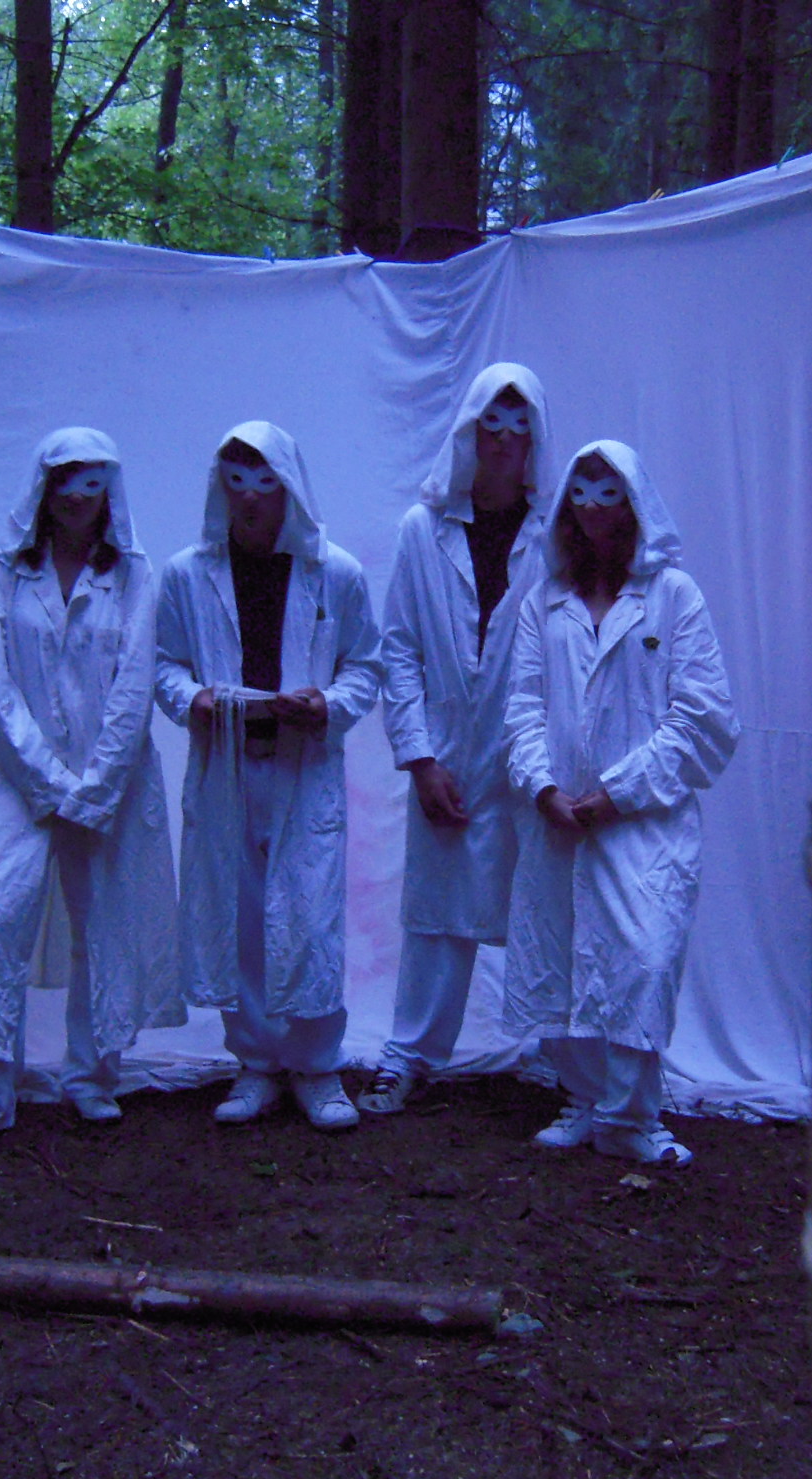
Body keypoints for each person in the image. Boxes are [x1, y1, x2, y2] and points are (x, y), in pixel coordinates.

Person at [0, 427, 183, 1151]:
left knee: (104, 927)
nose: (76, 496)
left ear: (110, 491)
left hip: (114, 780)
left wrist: (94, 787)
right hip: (17, 778)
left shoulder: (134, 574)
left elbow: (134, 685)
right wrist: (48, 780)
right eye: (64, 479)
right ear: (42, 485)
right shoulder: (3, 571)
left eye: (92, 482)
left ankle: (92, 1078)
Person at [502, 440, 740, 1167]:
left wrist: (621, 791)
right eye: (582, 493)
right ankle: (584, 1098)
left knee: (642, 957)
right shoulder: (545, 602)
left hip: (645, 824)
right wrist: (543, 787)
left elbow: (703, 716)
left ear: (636, 503)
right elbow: (522, 704)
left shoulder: (674, 595)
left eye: (611, 493)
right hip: (560, 821)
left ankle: (633, 1118)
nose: (595, 510)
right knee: (563, 956)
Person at [155, 422, 381, 1132]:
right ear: (219, 486)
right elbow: (163, 662)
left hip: (303, 769)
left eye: (265, 483)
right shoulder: (187, 574)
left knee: (309, 917)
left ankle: (316, 1066)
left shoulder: (335, 573)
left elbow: (365, 664)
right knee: (241, 917)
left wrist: (328, 705)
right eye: (237, 482)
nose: (251, 498)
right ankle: (255, 1061)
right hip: (226, 767)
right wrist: (190, 699)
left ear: (289, 487)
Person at [359, 364, 555, 1115]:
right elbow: (401, 647)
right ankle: (409, 1054)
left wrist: (547, 757)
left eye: (518, 425)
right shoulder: (425, 528)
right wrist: (420, 757)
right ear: (469, 430)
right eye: (490, 424)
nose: (503, 441)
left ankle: (564, 1058)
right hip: (447, 749)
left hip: (531, 750)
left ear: (535, 437)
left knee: (546, 901)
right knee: (436, 910)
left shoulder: (553, 535)